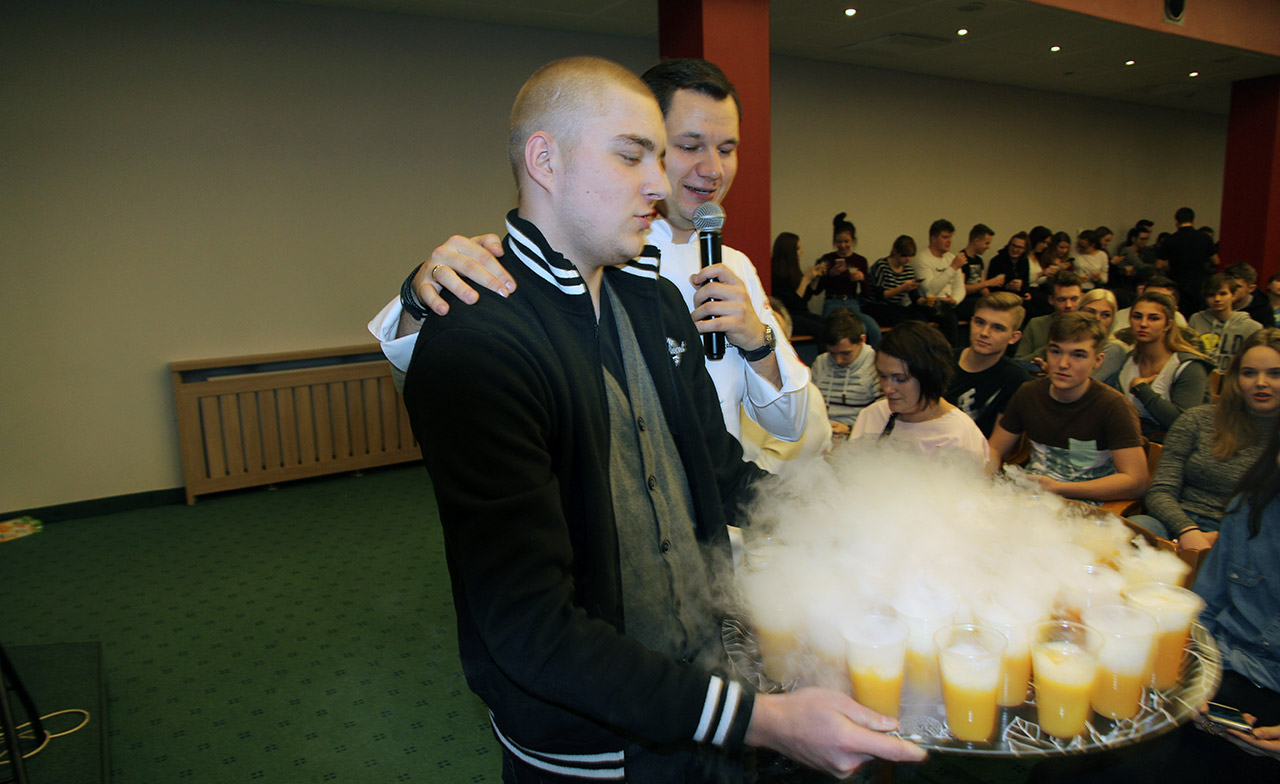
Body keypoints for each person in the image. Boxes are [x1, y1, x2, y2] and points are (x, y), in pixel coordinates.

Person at [401, 57, 923, 783]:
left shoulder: (655, 303)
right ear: (545, 160)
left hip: (701, 692)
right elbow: (530, 629)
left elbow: (718, 471)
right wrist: (762, 721)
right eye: (631, 155)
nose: (659, 183)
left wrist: (853, 524)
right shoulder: (478, 341)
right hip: (592, 744)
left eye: (658, 156)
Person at [370, 58, 811, 449]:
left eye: (727, 149)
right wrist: (418, 295)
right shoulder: (598, 251)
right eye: (688, 146)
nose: (713, 169)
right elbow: (430, 374)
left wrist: (759, 343)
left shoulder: (735, 266)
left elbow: (791, 426)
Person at [1129, 329, 1280, 550]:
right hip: (1176, 525)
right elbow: (1161, 491)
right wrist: (1188, 530)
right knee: (1135, 529)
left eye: (1275, 374)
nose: (1260, 382)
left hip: (1247, 537)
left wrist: (1223, 537)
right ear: (1236, 377)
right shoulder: (1197, 420)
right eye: (1249, 373)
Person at [988, 312, 1148, 503]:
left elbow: (1136, 482)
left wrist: (1058, 488)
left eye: (1078, 355)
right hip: (1031, 499)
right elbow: (995, 449)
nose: (1063, 364)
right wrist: (984, 482)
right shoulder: (1028, 393)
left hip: (1088, 505)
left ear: (1097, 361)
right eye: (1056, 352)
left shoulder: (1114, 406)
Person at [849, 321, 988, 464]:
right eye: (883, 376)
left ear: (930, 377)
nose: (887, 388)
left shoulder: (958, 435)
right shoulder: (873, 415)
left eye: (900, 379)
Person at [738, 299, 833, 472]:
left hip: (786, 485)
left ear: (787, 344)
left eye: (771, 337)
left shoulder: (804, 396)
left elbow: (769, 474)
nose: (761, 345)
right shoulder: (734, 388)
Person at [1109, 291, 1212, 441]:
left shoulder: (1189, 367)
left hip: (1176, 447)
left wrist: (1143, 390)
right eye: (1137, 316)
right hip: (1129, 441)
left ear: (1168, 324)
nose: (1143, 324)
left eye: (1154, 318)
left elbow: (1183, 424)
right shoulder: (1127, 361)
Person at [945, 292, 1031, 437]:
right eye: (980, 322)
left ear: (1014, 337)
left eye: (998, 328)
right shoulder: (942, 360)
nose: (984, 333)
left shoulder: (1017, 380)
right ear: (971, 322)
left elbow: (997, 445)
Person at [814, 213, 882, 349]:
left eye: (846, 241)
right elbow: (817, 290)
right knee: (832, 332)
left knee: (872, 328)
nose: (843, 245)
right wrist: (830, 275)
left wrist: (862, 279)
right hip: (832, 303)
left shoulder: (860, 260)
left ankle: (875, 359)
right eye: (839, 242)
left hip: (852, 303)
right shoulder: (827, 259)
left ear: (853, 241)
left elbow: (867, 294)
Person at [811, 309, 879, 440]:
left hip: (860, 436)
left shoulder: (876, 365)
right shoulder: (820, 362)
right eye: (832, 353)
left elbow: (884, 417)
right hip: (823, 434)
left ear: (862, 340)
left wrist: (850, 430)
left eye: (845, 353)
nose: (838, 360)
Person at [1188, 272, 1263, 372]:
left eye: (1223, 294)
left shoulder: (1252, 327)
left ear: (1233, 295)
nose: (1217, 299)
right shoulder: (1196, 319)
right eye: (1211, 295)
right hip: (1201, 375)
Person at [1159, 206, 1220, 318]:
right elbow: (1216, 261)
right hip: (1199, 282)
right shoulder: (1204, 238)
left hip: (1177, 282)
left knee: (1180, 314)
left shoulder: (1170, 239)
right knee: (1198, 314)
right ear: (1193, 220)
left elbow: (1159, 264)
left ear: (1176, 221)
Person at [912, 219, 964, 345]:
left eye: (950, 237)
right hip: (931, 303)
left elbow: (959, 286)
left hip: (951, 302)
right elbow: (930, 290)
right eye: (945, 237)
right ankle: (952, 352)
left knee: (977, 307)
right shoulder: (922, 258)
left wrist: (955, 300)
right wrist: (953, 267)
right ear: (933, 238)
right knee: (948, 316)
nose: (949, 241)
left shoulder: (952, 258)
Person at [1014, 271, 1084, 364]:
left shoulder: (1089, 327)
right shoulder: (1036, 324)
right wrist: (1046, 350)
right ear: (1051, 300)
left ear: (1082, 297)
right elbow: (1018, 363)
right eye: (1061, 299)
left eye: (1074, 299)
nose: (1068, 305)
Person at [863, 235, 929, 328]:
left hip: (893, 306)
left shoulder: (908, 270)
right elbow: (880, 295)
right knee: (901, 321)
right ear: (895, 251)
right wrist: (901, 288)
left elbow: (914, 296)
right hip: (875, 305)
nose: (908, 259)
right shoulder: (881, 266)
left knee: (920, 320)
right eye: (904, 255)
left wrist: (925, 301)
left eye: (910, 256)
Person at [769, 232, 825, 339]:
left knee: (827, 323)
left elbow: (804, 299)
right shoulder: (775, 274)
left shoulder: (792, 270)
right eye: (798, 248)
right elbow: (794, 303)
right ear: (789, 251)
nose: (801, 252)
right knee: (819, 329)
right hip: (787, 316)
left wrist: (814, 279)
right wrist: (805, 279)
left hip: (799, 313)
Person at [955, 223, 1003, 321]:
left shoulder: (979, 260)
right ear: (976, 241)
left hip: (978, 299)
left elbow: (983, 288)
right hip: (965, 301)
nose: (988, 247)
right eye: (987, 243)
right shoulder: (961, 259)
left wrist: (995, 299)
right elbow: (963, 289)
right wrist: (988, 283)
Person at [1077, 288, 1127, 382]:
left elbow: (1080, 383)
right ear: (1078, 312)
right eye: (1090, 312)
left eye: (1105, 315)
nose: (1097, 319)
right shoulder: (1068, 342)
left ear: (1112, 319)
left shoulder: (1113, 349)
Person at [1112, 275, 1189, 335]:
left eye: (1154, 318)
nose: (1143, 324)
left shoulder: (1179, 319)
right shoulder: (1120, 316)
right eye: (1149, 297)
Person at [1224, 261, 1276, 328]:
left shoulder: (1263, 311)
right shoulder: (1214, 301)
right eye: (1229, 285)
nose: (1231, 290)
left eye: (1237, 286)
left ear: (1251, 288)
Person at [986, 231, 1031, 300]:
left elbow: (1026, 282)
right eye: (1013, 245)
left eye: (1019, 247)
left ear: (1025, 249)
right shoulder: (997, 260)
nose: (1015, 249)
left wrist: (1023, 288)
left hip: (1018, 296)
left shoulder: (1024, 261)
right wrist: (1007, 286)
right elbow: (991, 286)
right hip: (1001, 296)